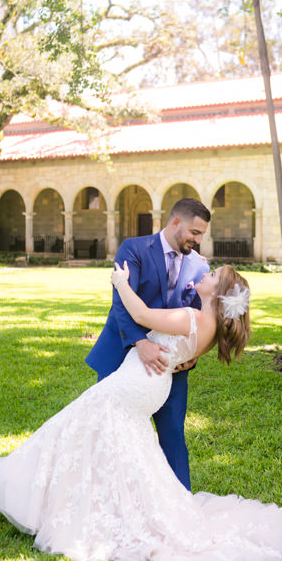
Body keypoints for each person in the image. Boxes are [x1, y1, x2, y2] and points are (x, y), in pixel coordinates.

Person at [0, 263, 282, 561]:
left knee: (76, 423)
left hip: (137, 384)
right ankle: (100, 501)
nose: (206, 274)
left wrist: (121, 282)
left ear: (218, 292)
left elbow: (141, 315)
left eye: (213, 276)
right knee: (119, 444)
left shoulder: (193, 317)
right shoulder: (209, 327)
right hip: (150, 383)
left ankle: (54, 500)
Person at [85, 197, 211, 491]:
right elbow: (121, 304)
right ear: (175, 222)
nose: (198, 240)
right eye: (195, 232)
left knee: (173, 436)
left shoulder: (199, 266)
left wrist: (193, 356)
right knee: (111, 433)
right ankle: (109, 497)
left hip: (169, 368)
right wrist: (140, 342)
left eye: (202, 234)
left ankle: (182, 503)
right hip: (122, 357)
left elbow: (200, 319)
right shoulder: (135, 248)